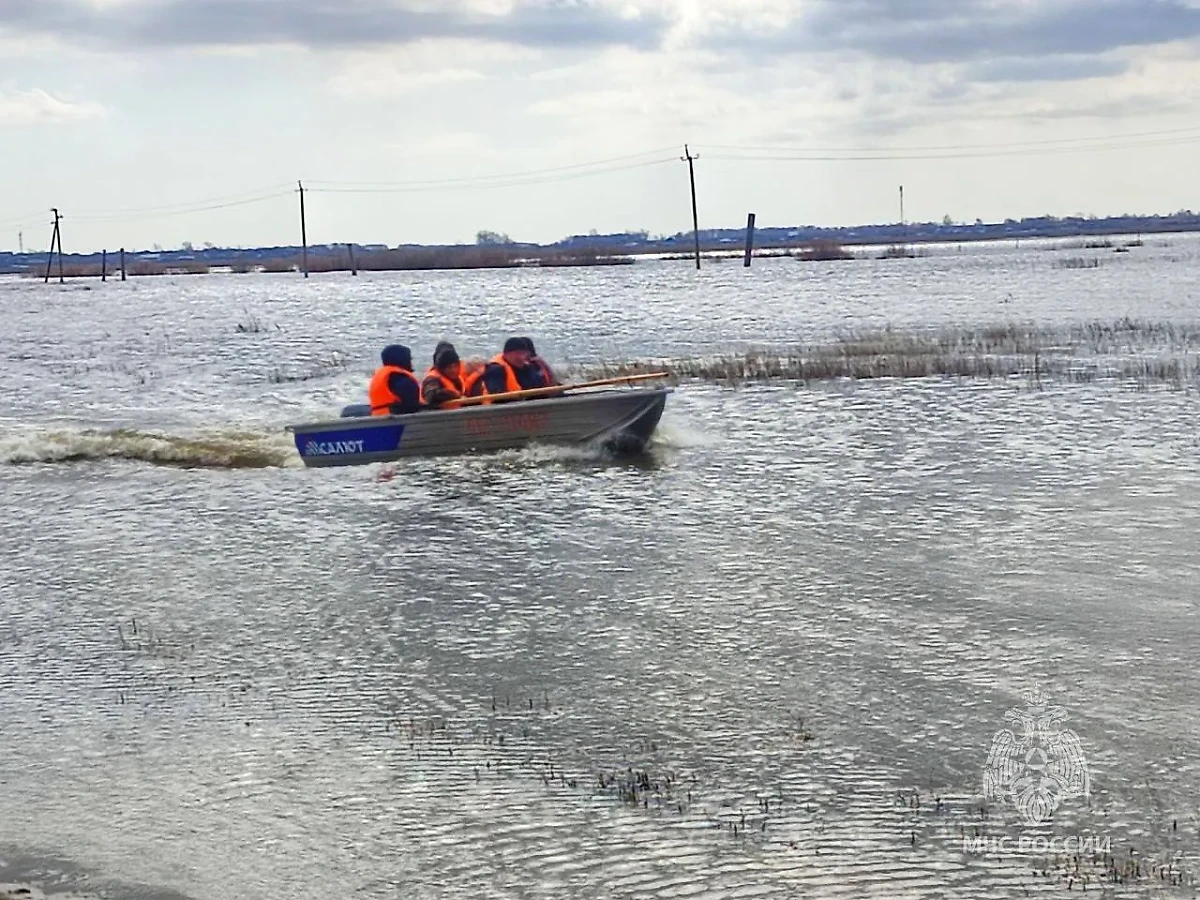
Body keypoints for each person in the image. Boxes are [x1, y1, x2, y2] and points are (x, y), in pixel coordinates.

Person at [462, 337, 529, 403]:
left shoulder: (526, 367)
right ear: (506, 354)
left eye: (524, 353)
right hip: (495, 408)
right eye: (518, 353)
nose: (522, 357)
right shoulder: (495, 370)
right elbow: (497, 397)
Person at [368, 344, 422, 415]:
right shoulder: (401, 379)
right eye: (409, 359)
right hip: (395, 418)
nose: (411, 363)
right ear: (403, 360)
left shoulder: (384, 375)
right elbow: (411, 406)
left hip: (378, 416)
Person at [422, 342, 464, 409]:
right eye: (449, 367)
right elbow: (431, 396)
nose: (453, 370)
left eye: (455, 366)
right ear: (442, 368)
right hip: (438, 414)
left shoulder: (457, 379)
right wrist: (453, 394)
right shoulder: (432, 380)